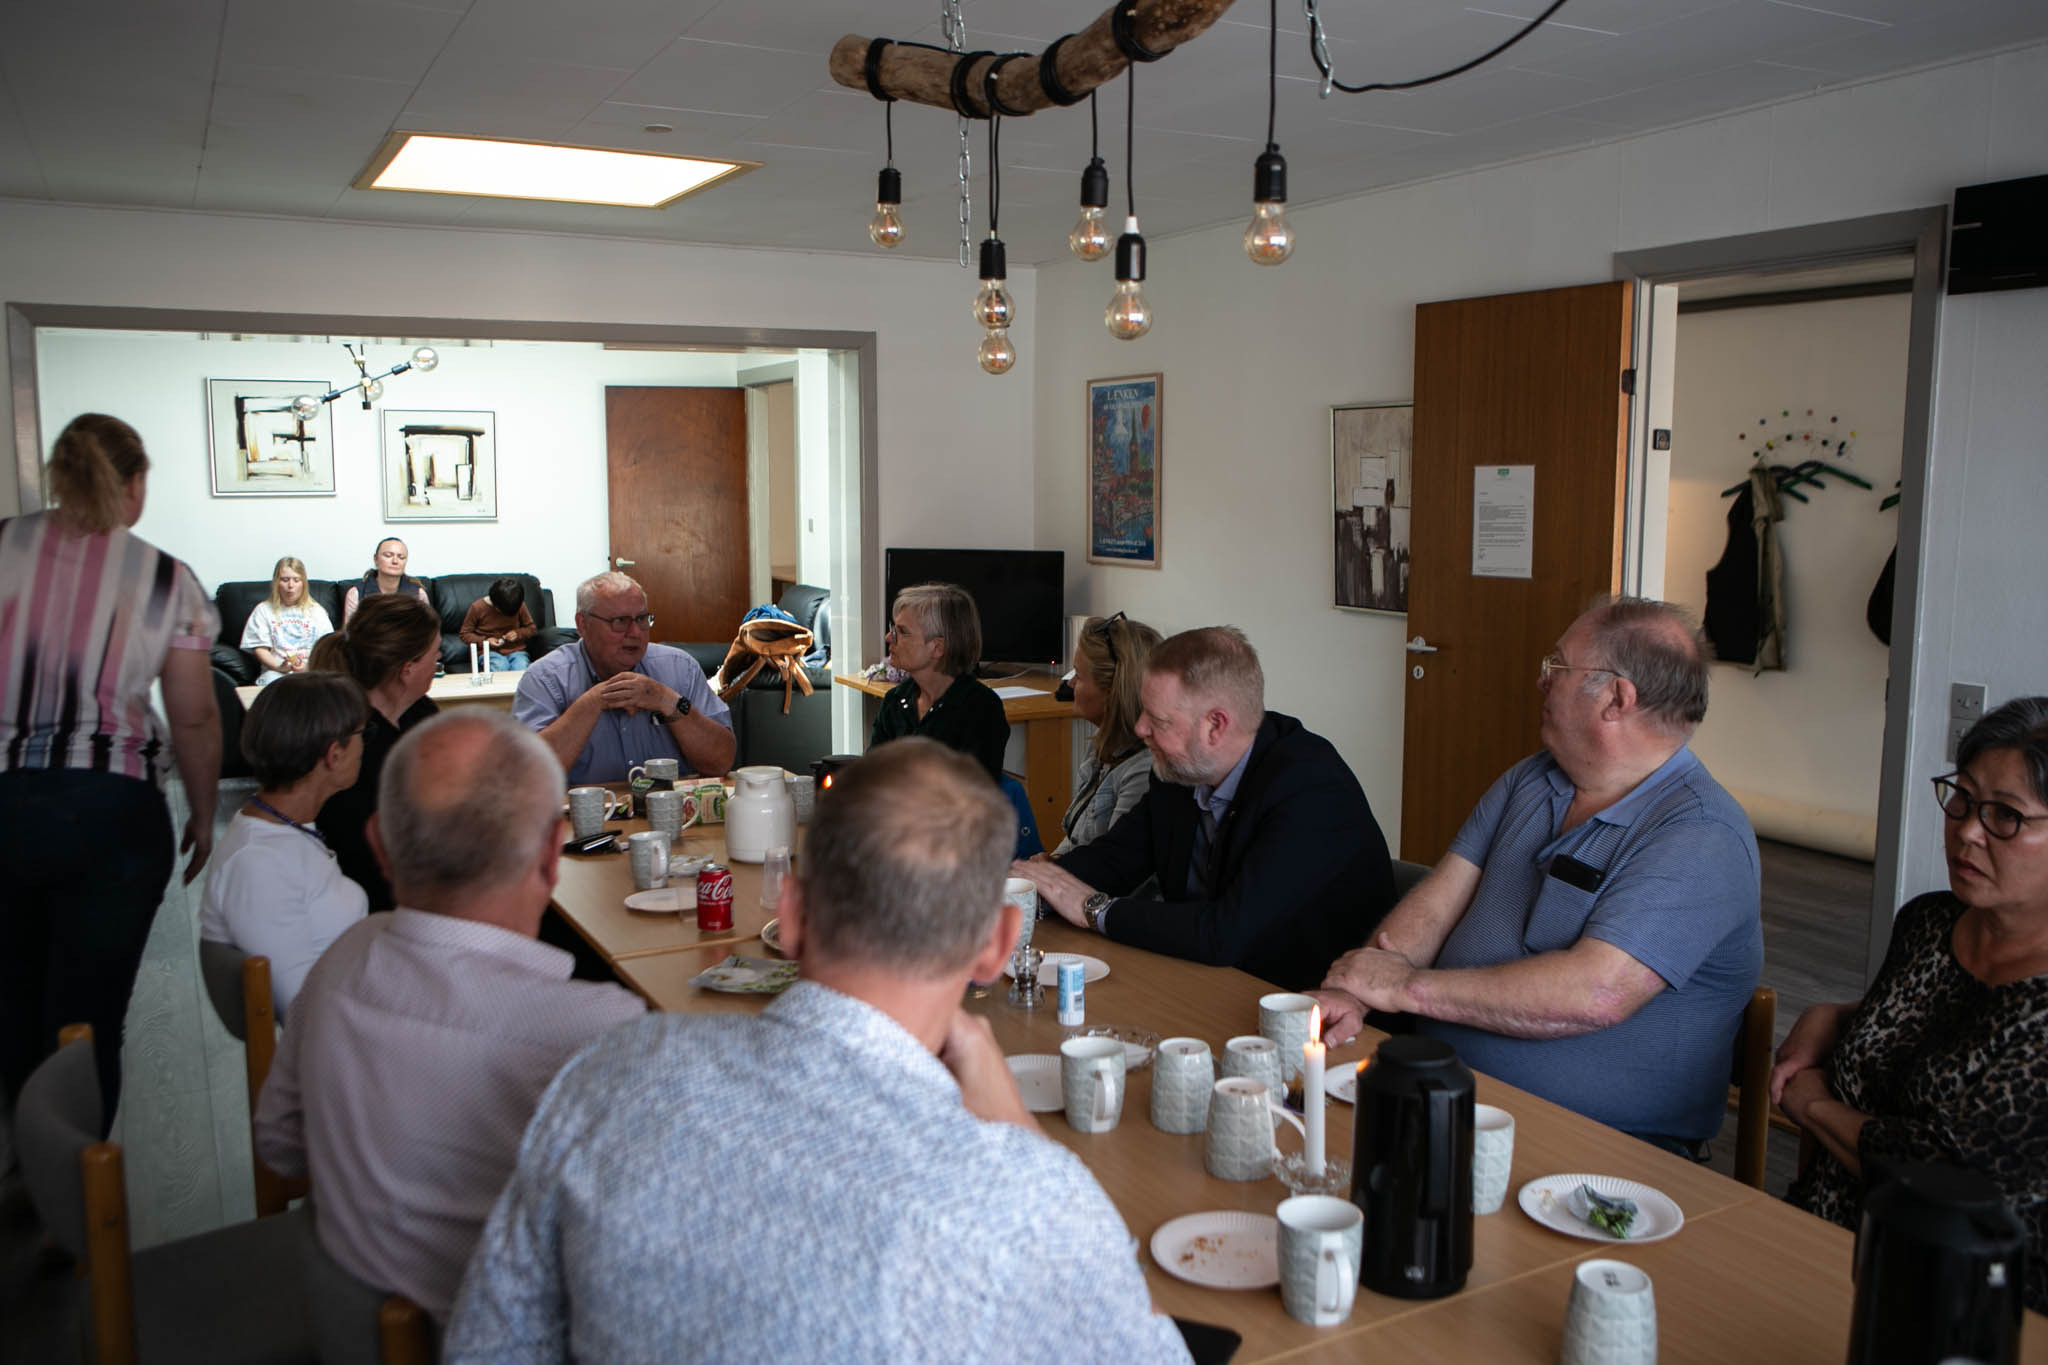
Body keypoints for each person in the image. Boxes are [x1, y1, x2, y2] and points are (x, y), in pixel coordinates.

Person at [442, 738, 1190, 1363]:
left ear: (791, 914)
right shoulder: (1028, 1199)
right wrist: (1019, 1134)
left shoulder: (609, 1071)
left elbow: (489, 1344)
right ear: (997, 945)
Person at [1312, 598, 1761, 1158]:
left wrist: (1404, 988)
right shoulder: (1533, 778)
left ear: (1616, 699)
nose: (1541, 680)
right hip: (1441, 1093)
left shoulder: (1701, 834)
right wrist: (1354, 992)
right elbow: (1439, 902)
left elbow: (1596, 994)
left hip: (1603, 1150)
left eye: (1558, 666)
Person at [254, 711, 644, 1323]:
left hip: (347, 1320)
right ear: (552, 855)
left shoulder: (340, 960)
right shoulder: (601, 1032)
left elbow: (279, 1146)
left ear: (380, 846)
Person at [1775, 697, 2048, 1312]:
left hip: (1960, 1295)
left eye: (2006, 816)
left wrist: (1813, 1105)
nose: (1967, 831)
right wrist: (1837, 1017)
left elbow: (1947, 1177)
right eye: (1963, 799)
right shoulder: (1930, 922)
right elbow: (1924, 1035)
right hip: (1820, 1238)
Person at [0, 413, 221, 1122]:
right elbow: (193, 716)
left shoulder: (3, 544)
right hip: (114, 807)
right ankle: (79, 1175)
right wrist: (205, 815)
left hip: (6, 800)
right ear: (134, 483)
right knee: (88, 1016)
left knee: (13, 1000)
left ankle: (23, 1154)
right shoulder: (165, 576)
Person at [1010, 626, 1395, 992]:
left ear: (1215, 726)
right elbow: (1115, 859)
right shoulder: (1180, 768)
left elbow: (1226, 933)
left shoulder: (1310, 788)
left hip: (1303, 1004)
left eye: (1158, 719)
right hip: (1204, 980)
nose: (1140, 728)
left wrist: (1092, 908)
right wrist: (1024, 887)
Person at [198, 673, 369, 1015]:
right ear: (334, 754)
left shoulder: (286, 827)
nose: (365, 745)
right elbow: (299, 1007)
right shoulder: (257, 863)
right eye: (362, 734)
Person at [513, 571, 733, 785]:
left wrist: (669, 701)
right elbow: (530, 778)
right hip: (586, 810)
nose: (635, 633)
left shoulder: (680, 668)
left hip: (671, 807)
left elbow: (721, 762)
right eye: (620, 621)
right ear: (583, 624)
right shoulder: (545, 678)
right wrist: (591, 703)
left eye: (642, 619)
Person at [309, 593, 441, 911]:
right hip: (376, 898)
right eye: (435, 654)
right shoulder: (353, 743)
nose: (439, 661)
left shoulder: (420, 712)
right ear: (408, 669)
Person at [868, 582, 1009, 784]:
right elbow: (872, 777)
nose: (889, 637)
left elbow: (973, 792)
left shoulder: (981, 708)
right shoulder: (895, 700)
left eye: (903, 631)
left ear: (937, 648)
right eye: (893, 629)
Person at [1053, 611, 1162, 855]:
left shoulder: (1144, 771)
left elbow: (1116, 863)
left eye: (1078, 675)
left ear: (1112, 691)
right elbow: (1074, 837)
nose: (1070, 684)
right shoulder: (1102, 743)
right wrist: (1053, 861)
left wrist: (1054, 869)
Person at [241, 555, 335, 684]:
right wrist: (280, 667)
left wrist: (307, 667)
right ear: (276, 582)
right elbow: (260, 649)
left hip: (310, 672)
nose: (290, 585)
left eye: (296, 580)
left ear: (303, 583)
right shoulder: (263, 610)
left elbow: (327, 647)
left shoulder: (317, 611)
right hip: (276, 672)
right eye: (285, 580)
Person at [340, 536, 430, 624]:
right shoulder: (356, 594)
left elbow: (427, 629)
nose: (395, 561)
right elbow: (349, 632)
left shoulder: (418, 594)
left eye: (401, 557)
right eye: (388, 555)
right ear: (376, 559)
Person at [459, 576, 536, 671]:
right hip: (488, 652)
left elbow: (532, 629)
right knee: (500, 665)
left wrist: (518, 633)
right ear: (495, 604)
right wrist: (486, 641)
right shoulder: (477, 607)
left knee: (521, 666)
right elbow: (464, 634)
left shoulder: (518, 604)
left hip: (516, 651)